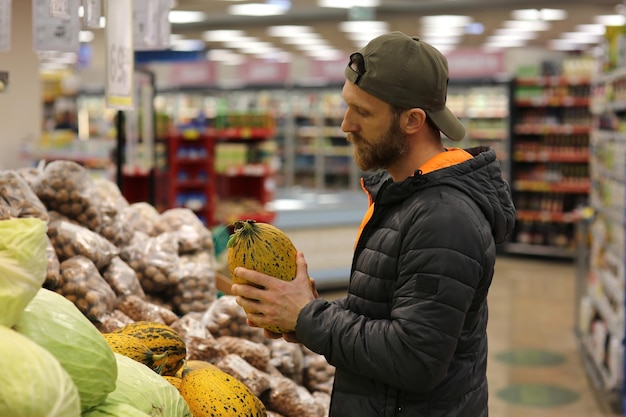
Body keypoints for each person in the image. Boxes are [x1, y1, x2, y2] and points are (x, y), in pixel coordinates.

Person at [231, 31, 516, 417]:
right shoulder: (401, 194)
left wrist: (307, 315)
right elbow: (388, 309)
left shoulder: (443, 219)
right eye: (347, 107)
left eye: (362, 113)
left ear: (413, 120)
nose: (346, 125)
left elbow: (415, 358)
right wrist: (306, 313)